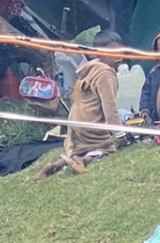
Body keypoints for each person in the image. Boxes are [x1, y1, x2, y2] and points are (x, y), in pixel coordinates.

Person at [40, 32, 125, 177]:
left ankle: (57, 165)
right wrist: (119, 133)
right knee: (105, 148)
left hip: (75, 120)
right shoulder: (106, 74)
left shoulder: (89, 70)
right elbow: (109, 106)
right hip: (90, 120)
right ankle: (85, 160)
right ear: (97, 54)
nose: (118, 56)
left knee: (79, 148)